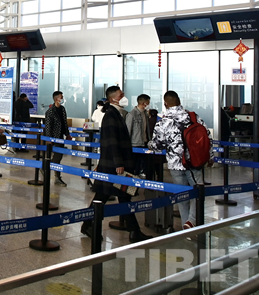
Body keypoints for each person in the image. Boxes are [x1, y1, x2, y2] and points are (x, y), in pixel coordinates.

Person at [80, 86, 151, 243]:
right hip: (113, 165)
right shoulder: (111, 115)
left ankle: (133, 231)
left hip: (114, 163)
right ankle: (88, 224)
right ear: (113, 99)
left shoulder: (117, 114)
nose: (124, 97)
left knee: (121, 197)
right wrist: (118, 163)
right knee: (104, 196)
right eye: (121, 95)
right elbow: (112, 141)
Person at [148, 90, 213, 230]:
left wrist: (149, 144)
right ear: (179, 101)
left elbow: (157, 146)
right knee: (198, 192)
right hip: (194, 161)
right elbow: (207, 136)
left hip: (175, 164)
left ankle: (188, 224)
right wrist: (210, 156)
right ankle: (191, 221)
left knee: (182, 196)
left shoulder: (163, 122)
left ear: (165, 104)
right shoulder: (193, 117)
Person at [43, 90, 71, 187]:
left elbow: (64, 122)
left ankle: (50, 171)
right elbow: (48, 126)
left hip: (61, 136)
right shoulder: (50, 111)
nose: (62, 99)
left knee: (58, 156)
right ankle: (48, 169)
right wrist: (49, 138)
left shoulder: (62, 109)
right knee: (57, 156)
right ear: (56, 99)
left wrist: (67, 134)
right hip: (54, 137)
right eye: (61, 97)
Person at [126, 94, 150, 178]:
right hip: (135, 144)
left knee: (145, 164)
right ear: (144, 103)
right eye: (148, 102)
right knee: (135, 165)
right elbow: (128, 131)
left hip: (145, 143)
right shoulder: (132, 114)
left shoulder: (145, 114)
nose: (149, 104)